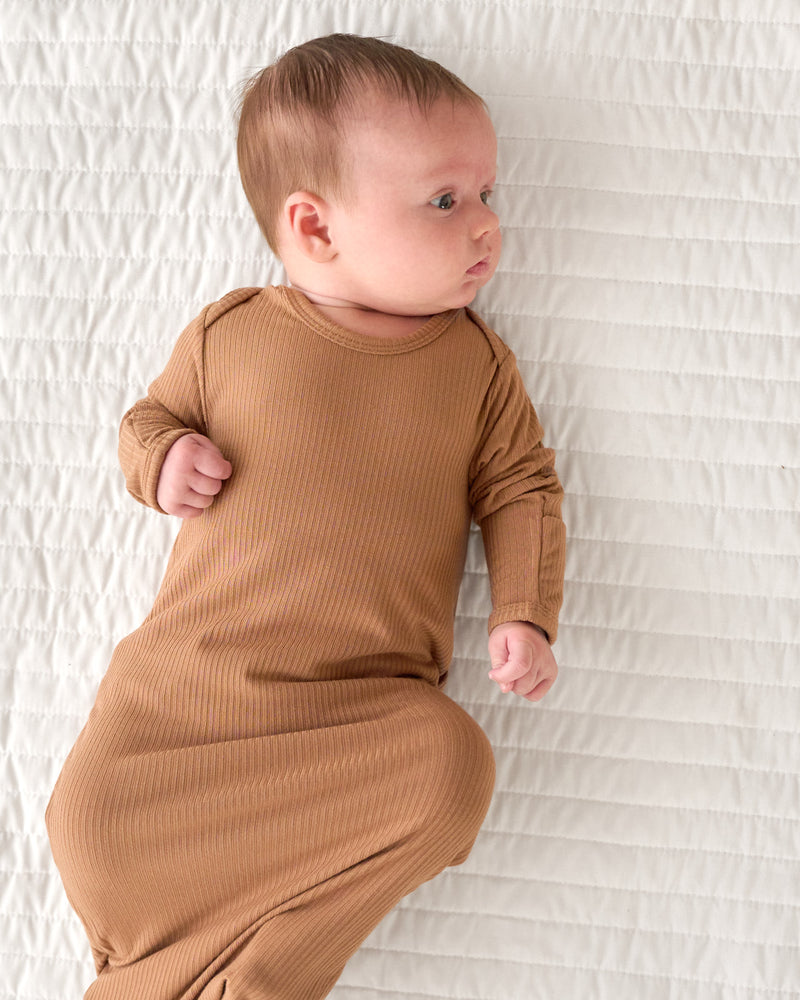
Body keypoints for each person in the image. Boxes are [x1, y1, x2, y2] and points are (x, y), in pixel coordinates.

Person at [46, 33, 565, 1000]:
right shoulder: (232, 333)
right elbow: (145, 422)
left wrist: (522, 611)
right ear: (315, 228)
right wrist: (162, 462)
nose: (487, 226)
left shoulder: (475, 369)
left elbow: (522, 485)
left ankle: (261, 975)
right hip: (180, 721)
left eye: (489, 195)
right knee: (89, 820)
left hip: (354, 725)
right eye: (446, 200)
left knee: (451, 770)